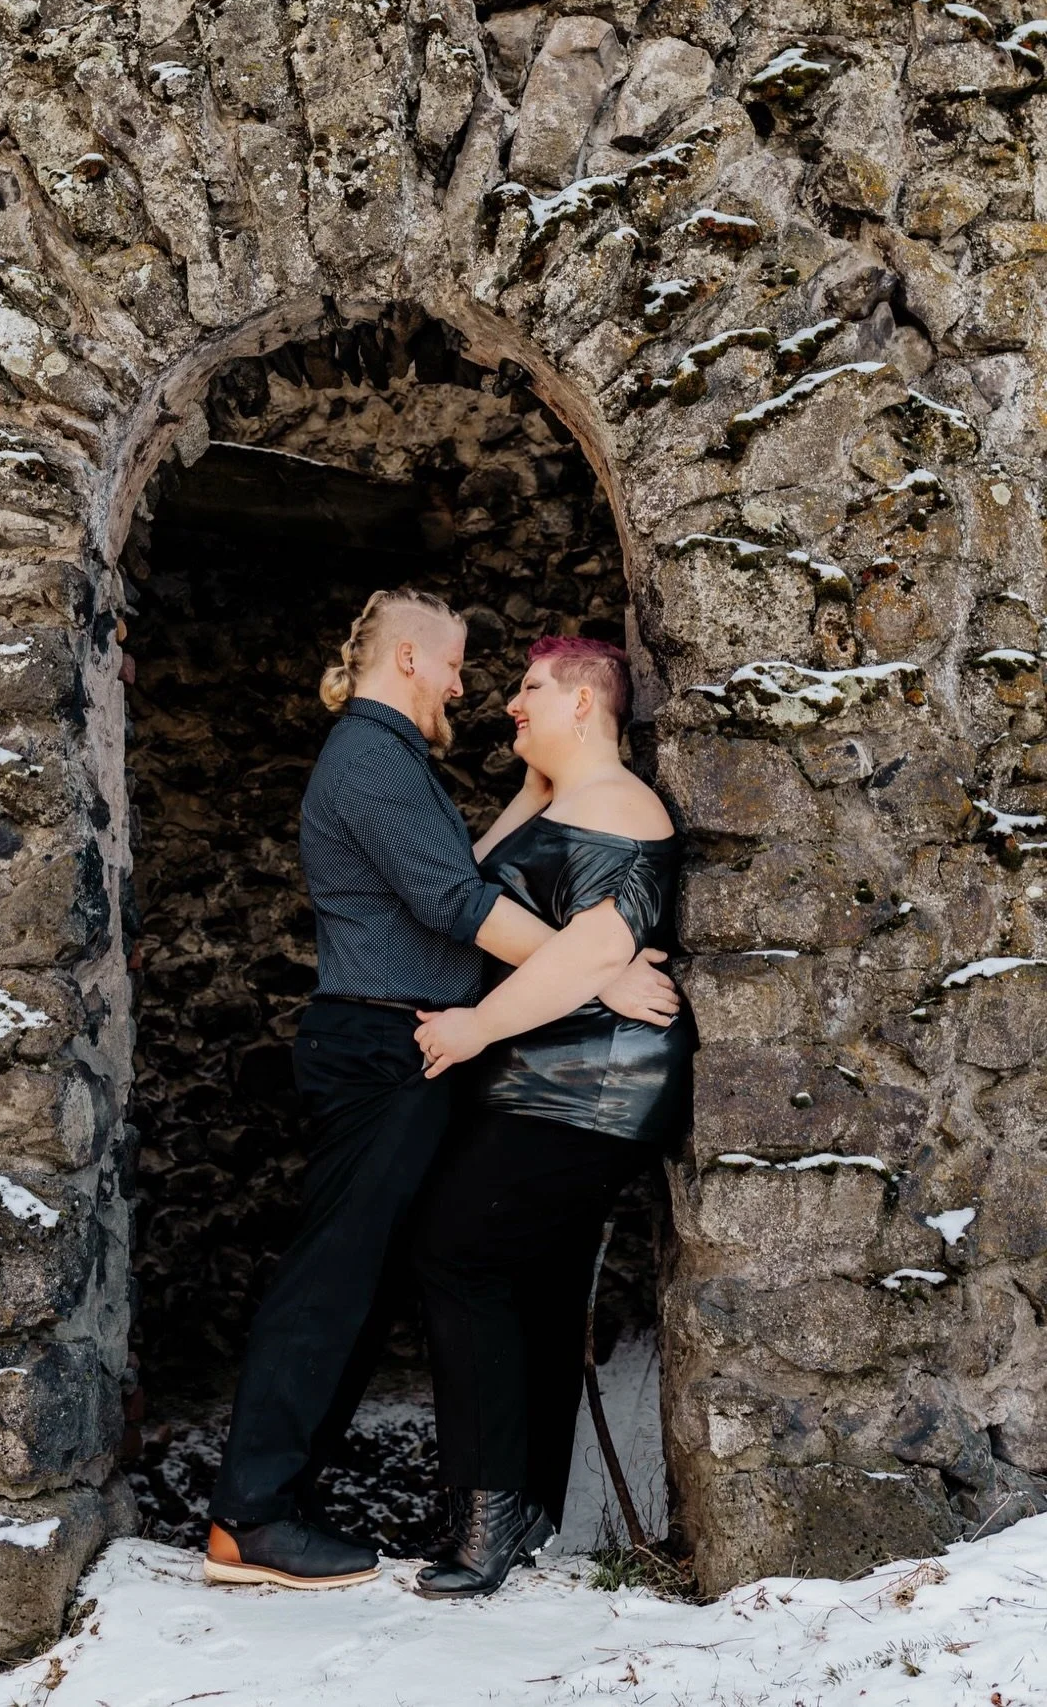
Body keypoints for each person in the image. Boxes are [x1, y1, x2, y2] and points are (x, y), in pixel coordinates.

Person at [203, 593, 682, 1590]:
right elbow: (459, 900)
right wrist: (597, 967)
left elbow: (468, 874)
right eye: (463, 666)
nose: (478, 689)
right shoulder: (373, 758)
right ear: (412, 659)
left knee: (387, 1274)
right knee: (341, 1277)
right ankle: (253, 1512)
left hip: (423, 1048)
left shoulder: (394, 758)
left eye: (515, 681)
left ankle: (295, 1505)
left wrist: (539, 795)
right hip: (388, 1041)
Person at [409, 635, 696, 1601]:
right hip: (548, 1078)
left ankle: (490, 1516)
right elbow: (477, 877)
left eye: (531, 690)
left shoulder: (620, 803)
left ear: (586, 702)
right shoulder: (567, 800)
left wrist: (474, 1024)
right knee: (525, 1278)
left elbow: (592, 950)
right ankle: (514, 1502)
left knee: (458, 1252)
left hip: (587, 1084)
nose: (511, 707)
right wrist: (535, 786)